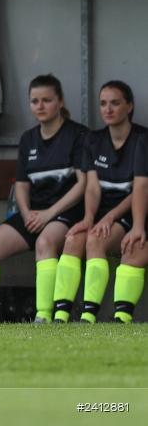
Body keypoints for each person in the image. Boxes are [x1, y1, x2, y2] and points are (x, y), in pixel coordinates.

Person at [0, 75, 87, 323]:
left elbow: (83, 185)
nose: (40, 106)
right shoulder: (28, 138)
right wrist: (26, 212)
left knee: (45, 243)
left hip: (65, 212)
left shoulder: (77, 135)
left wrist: (48, 214)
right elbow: (21, 186)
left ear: (60, 101)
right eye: (34, 101)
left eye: (46, 100)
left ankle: (43, 316)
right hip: (33, 214)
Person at [53, 81, 147, 323]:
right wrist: (88, 217)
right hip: (104, 213)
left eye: (115, 103)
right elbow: (92, 187)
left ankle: (90, 316)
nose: (108, 109)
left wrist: (110, 217)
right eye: (103, 103)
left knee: (98, 240)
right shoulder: (93, 140)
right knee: (74, 239)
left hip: (133, 212)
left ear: (130, 106)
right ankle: (59, 316)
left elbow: (140, 188)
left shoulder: (142, 139)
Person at [114, 133, 146, 322]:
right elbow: (141, 187)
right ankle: (121, 320)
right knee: (133, 250)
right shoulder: (145, 141)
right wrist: (138, 227)